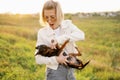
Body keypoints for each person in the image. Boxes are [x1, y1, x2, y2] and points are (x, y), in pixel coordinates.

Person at [35, 0, 85, 80]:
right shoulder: (42, 33)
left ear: (59, 15)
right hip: (55, 73)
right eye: (46, 17)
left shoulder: (68, 25)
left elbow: (81, 35)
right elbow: (38, 59)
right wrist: (56, 59)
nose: (49, 21)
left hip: (70, 71)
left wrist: (60, 39)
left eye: (52, 17)